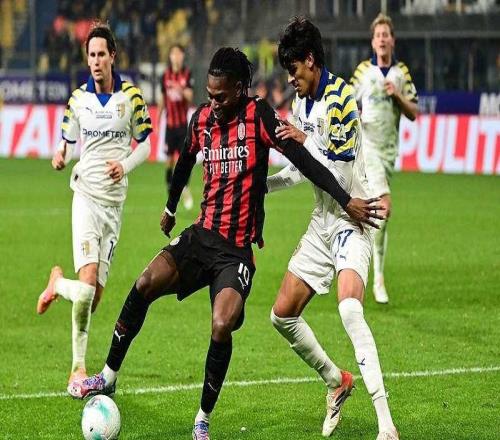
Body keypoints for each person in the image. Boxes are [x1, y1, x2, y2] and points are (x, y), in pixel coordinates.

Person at [68, 47, 381, 440]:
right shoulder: (202, 119)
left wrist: (345, 199)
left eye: (220, 96)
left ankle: (202, 418)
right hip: (201, 236)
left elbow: (304, 161)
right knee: (145, 282)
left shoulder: (259, 115)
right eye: (209, 95)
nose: (213, 104)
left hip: (236, 253)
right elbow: (185, 159)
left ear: (239, 89)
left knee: (221, 324)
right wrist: (169, 207)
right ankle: (108, 376)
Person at [266, 17, 399, 440]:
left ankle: (386, 425)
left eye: (294, 70)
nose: (291, 79)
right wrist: (262, 186)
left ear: (310, 60)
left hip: (352, 218)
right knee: (281, 316)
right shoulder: (300, 104)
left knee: (349, 310)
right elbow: (299, 170)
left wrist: (305, 143)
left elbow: (339, 177)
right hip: (321, 222)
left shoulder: (341, 99)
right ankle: (336, 381)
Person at [36, 23, 152, 395]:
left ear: (113, 56)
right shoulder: (78, 100)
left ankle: (57, 284)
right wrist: (60, 154)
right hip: (85, 195)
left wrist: (125, 165)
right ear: (86, 59)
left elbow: (147, 145)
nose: (96, 61)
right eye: (91, 55)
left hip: (113, 207)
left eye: (102, 54)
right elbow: (66, 141)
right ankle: (78, 369)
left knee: (94, 298)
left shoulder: (131, 97)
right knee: (86, 290)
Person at [350, 13, 418, 304]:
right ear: (373, 41)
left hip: (389, 152)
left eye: (386, 35)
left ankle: (369, 269)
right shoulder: (364, 71)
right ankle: (375, 278)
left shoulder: (401, 74)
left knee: (378, 214)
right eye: (378, 35)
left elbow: (414, 112)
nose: (382, 39)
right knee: (384, 207)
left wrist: (397, 96)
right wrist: (355, 113)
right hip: (368, 149)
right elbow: (348, 100)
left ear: (392, 40)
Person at [157, 44, 194, 209]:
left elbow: (190, 97)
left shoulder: (187, 74)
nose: (176, 57)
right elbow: (162, 99)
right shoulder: (165, 76)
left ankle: (184, 187)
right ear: (170, 56)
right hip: (170, 125)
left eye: (179, 54)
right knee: (169, 161)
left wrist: (181, 89)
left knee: (184, 160)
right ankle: (170, 187)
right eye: (173, 54)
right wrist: (158, 119)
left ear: (183, 56)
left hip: (182, 125)